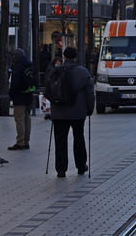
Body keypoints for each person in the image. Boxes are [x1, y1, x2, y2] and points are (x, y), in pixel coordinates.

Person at [47, 47, 94, 177]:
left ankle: (61, 169)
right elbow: (90, 93)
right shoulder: (83, 72)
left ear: (64, 57)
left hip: (59, 112)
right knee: (79, 138)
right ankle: (81, 166)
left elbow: (49, 90)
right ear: (75, 57)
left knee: (60, 141)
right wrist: (89, 108)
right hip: (77, 112)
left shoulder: (56, 71)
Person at [8, 48, 35, 150]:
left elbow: (15, 83)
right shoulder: (29, 64)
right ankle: (27, 141)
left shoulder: (18, 66)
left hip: (19, 96)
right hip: (29, 95)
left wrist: (11, 94)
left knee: (19, 119)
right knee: (27, 118)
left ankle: (20, 142)